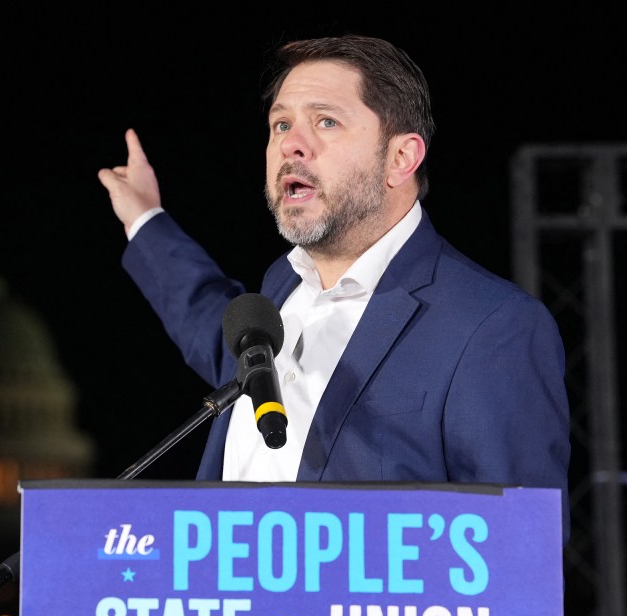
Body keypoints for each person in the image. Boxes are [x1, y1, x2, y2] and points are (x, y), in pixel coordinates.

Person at [97, 34, 571, 543]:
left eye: (326, 121)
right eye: (281, 124)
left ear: (401, 157)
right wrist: (145, 219)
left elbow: (520, 549)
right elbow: (216, 331)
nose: (290, 144)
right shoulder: (280, 287)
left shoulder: (492, 327)